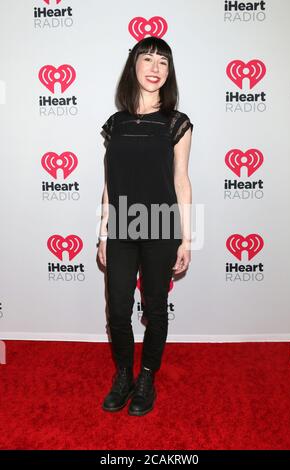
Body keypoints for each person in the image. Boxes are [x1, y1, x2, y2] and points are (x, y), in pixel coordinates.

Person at [97, 36, 193, 416]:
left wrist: (187, 238)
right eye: (148, 59)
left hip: (161, 224)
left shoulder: (177, 123)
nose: (155, 68)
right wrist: (103, 233)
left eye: (163, 62)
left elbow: (182, 181)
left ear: (169, 73)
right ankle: (124, 374)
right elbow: (109, 182)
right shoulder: (115, 124)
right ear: (133, 66)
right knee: (117, 310)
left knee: (155, 308)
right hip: (121, 225)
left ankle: (147, 376)